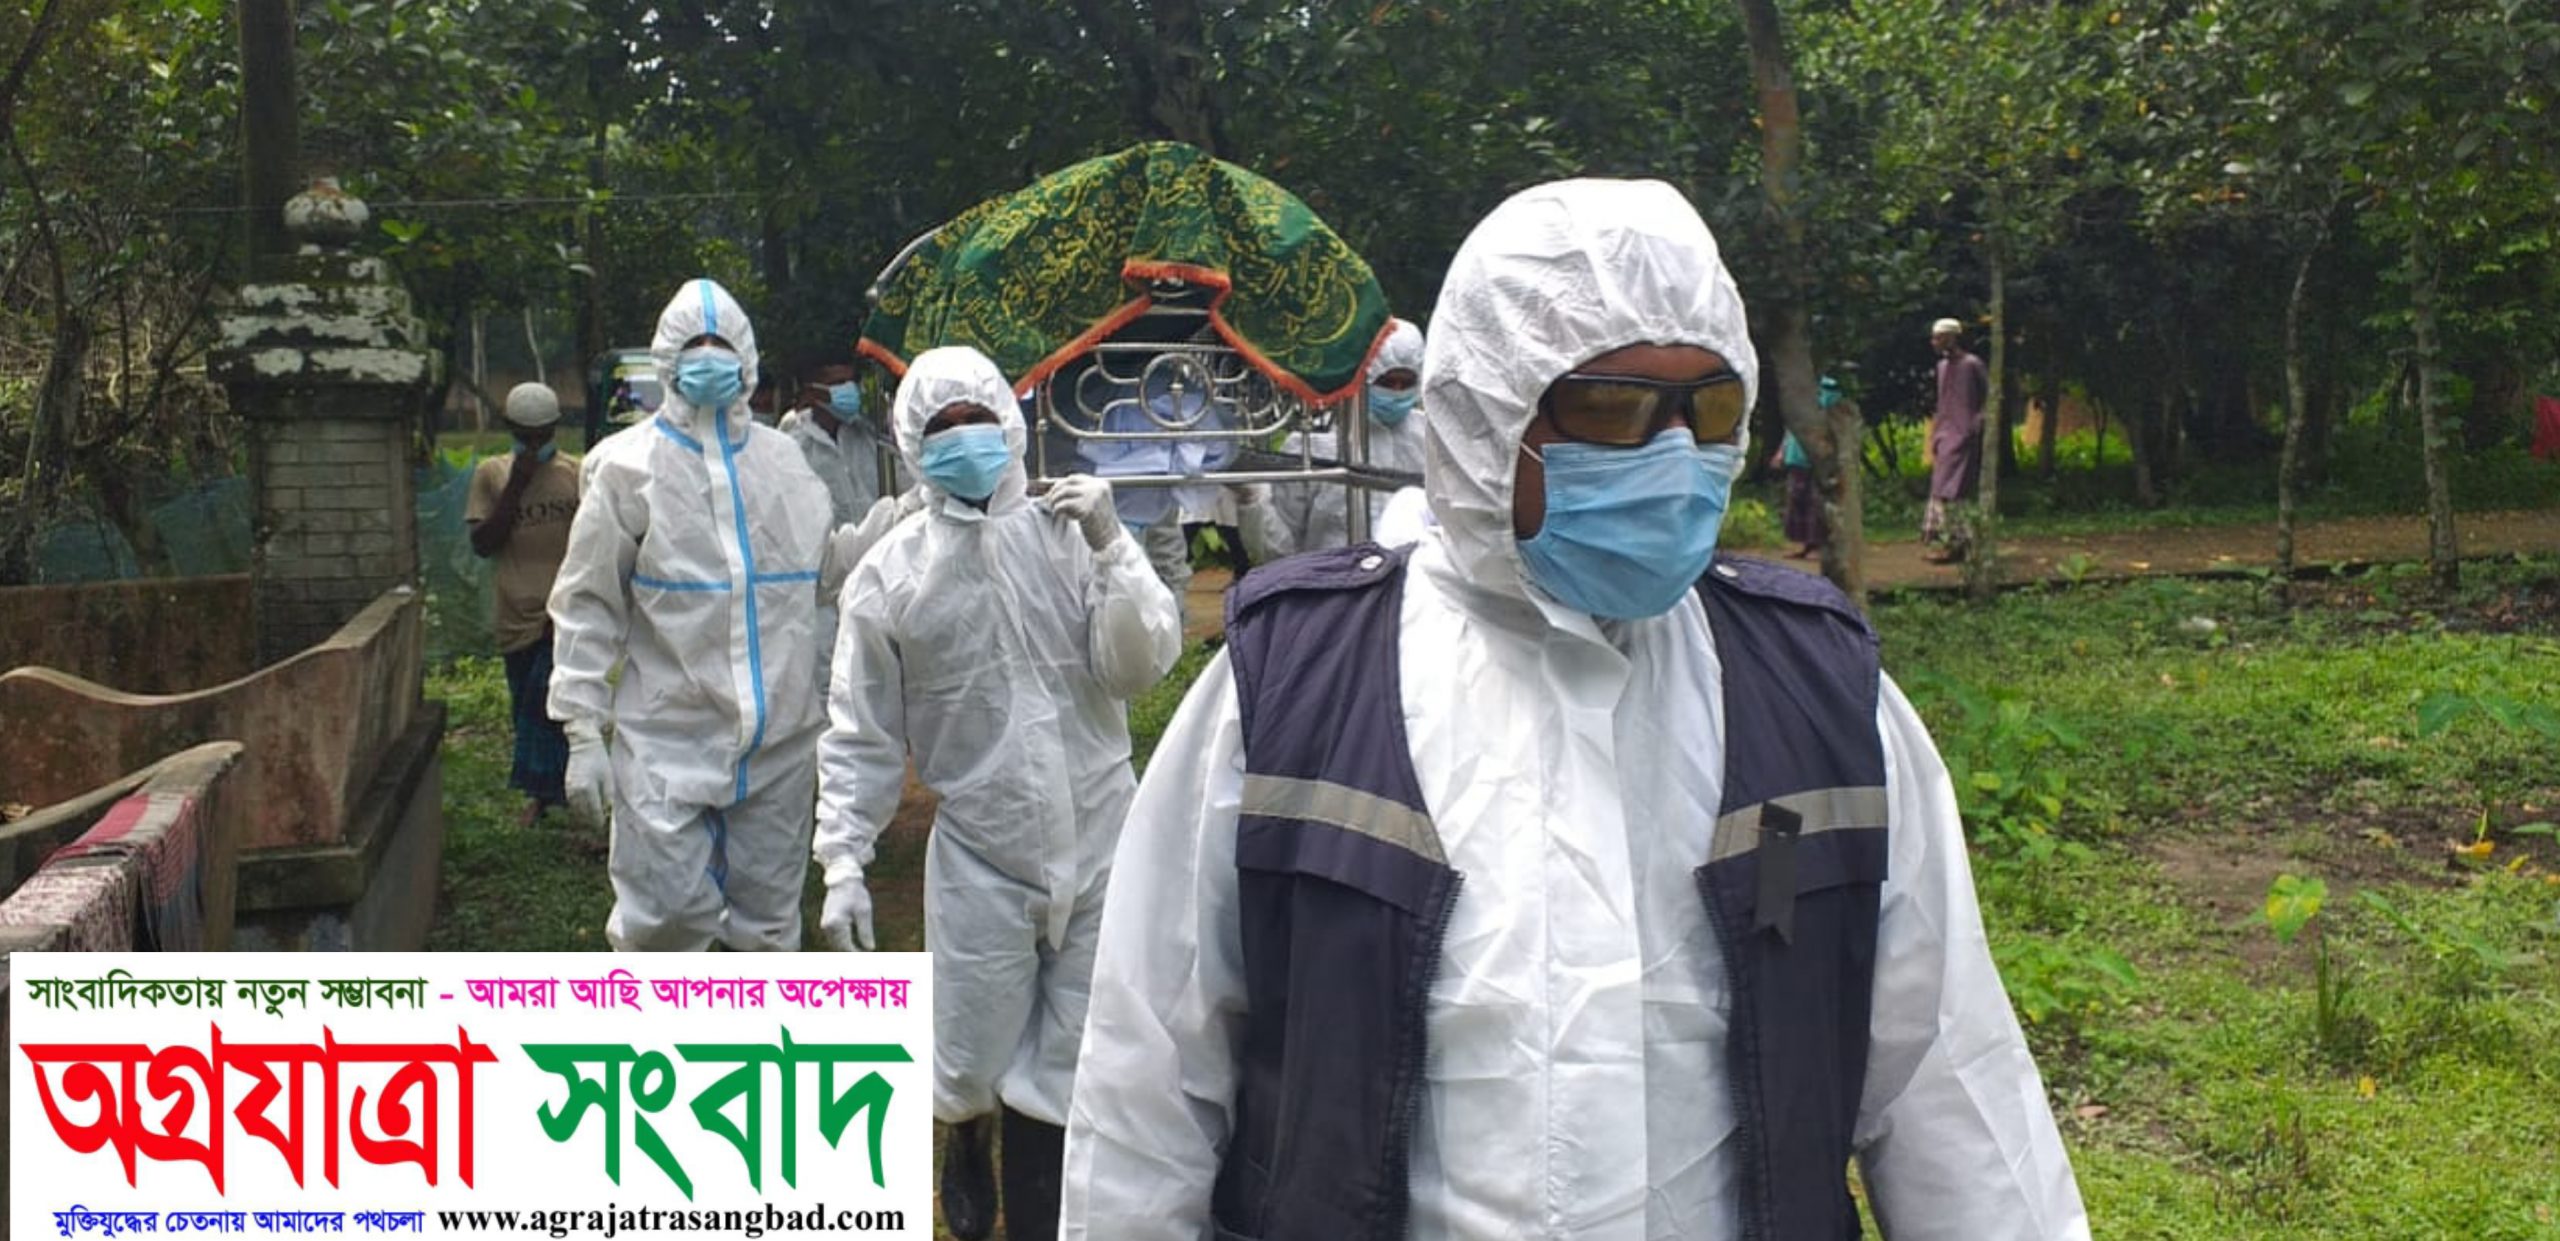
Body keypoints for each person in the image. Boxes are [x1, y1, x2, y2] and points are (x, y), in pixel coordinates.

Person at [1060, 179, 2087, 1240]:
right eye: (1612, 407)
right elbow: (1151, 1084)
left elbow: (1947, 1084)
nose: (1674, 452)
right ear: (1486, 415)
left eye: (1709, 409)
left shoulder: (1818, 689)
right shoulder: (1295, 683)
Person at [813, 345, 1181, 1241]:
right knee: (972, 1045)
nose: (965, 439)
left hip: (1101, 830)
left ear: (1010, 424)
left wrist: (1114, 546)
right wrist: (844, 857)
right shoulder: (892, 574)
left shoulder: (1070, 533)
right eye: (943, 427)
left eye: (977, 418)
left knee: (1085, 1044)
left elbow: (1140, 664)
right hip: (983, 848)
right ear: (913, 442)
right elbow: (862, 727)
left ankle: (1046, 1197)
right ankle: (967, 1130)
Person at [547, 278, 863, 952]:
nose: (711, 357)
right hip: (668, 739)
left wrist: (890, 529)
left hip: (780, 743)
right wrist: (581, 727)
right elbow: (588, 602)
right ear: (669, 358)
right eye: (696, 344)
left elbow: (820, 573)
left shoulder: (783, 462)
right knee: (663, 921)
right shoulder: (625, 468)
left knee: (769, 928)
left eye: (723, 343)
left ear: (747, 358)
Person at [467, 382, 582, 827]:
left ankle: (555, 792)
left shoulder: (576, 474)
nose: (534, 444)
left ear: (555, 428)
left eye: (542, 435)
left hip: (564, 616)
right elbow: (483, 543)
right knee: (525, 707)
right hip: (515, 613)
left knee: (551, 704)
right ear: (510, 428)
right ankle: (544, 795)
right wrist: (517, 484)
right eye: (525, 435)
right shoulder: (491, 474)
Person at [1237, 316, 1429, 560]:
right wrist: (1253, 499)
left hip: (1412, 578)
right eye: (1387, 382)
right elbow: (1279, 549)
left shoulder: (1430, 438)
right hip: (1331, 580)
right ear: (1360, 376)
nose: (1397, 392)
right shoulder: (1313, 444)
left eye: (1406, 383)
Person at [1925, 317, 1986, 563]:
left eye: (1939, 338)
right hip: (1944, 436)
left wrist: (1975, 424)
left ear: (1952, 338)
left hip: (1964, 435)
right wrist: (1936, 435)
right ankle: (1954, 542)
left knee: (1952, 491)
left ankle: (1958, 544)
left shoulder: (1972, 364)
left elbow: (1989, 397)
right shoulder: (1941, 367)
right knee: (1942, 489)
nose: (1934, 342)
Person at [1769, 374, 1841, 559]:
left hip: (1817, 459)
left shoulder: (1829, 394)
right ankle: (1802, 544)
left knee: (1816, 502)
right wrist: (1781, 452)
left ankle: (1818, 546)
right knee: (1796, 500)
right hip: (1796, 457)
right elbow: (1790, 429)